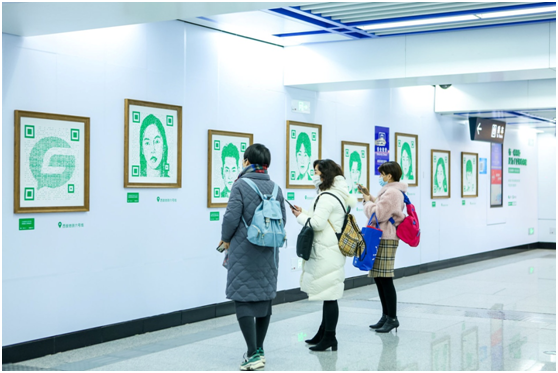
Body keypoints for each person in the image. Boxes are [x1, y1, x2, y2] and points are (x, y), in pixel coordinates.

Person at [219, 144, 287, 371]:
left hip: (244, 250)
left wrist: (225, 238)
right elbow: (282, 220)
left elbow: (231, 216)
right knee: (264, 299)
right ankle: (259, 349)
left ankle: (253, 352)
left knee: (244, 299)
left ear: (247, 161)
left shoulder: (240, 184)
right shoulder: (276, 188)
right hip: (269, 250)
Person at [290, 159, 356, 351]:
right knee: (329, 294)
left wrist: (299, 217)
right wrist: (305, 213)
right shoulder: (337, 194)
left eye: (316, 172)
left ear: (325, 174)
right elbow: (321, 218)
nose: (314, 175)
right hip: (331, 249)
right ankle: (323, 333)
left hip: (327, 251)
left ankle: (329, 338)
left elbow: (317, 224)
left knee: (330, 295)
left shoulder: (327, 196)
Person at [361, 161, 407, 333]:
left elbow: (378, 213)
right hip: (382, 237)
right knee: (379, 278)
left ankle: (392, 317)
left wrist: (367, 203)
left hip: (386, 237)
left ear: (389, 175)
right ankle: (386, 315)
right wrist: (370, 197)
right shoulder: (390, 191)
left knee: (385, 279)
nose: (380, 177)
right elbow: (382, 207)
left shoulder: (393, 192)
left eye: (382, 174)